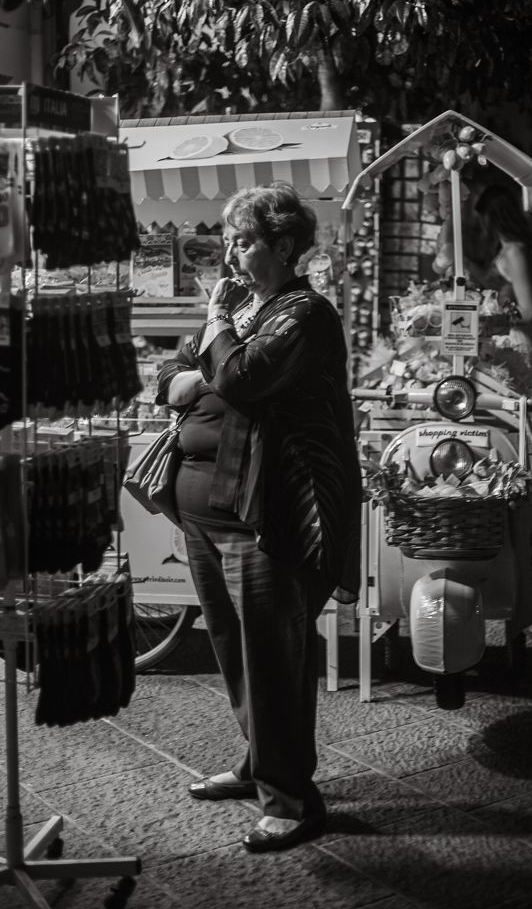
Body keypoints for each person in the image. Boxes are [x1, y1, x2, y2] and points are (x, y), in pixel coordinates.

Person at [155, 183, 362, 852]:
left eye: (245, 239)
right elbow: (171, 378)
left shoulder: (302, 313)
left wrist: (216, 337)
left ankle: (291, 797)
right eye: (232, 239)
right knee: (231, 645)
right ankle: (257, 762)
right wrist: (204, 365)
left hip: (264, 513)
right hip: (202, 508)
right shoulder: (251, 310)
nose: (234, 253)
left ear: (282, 244)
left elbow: (241, 378)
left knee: (274, 653)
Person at [472, 184, 532, 358]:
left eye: (482, 218)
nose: (481, 225)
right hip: (505, 336)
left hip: (514, 340)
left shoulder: (515, 251)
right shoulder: (507, 248)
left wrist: (488, 322)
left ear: (491, 218)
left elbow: (528, 310)